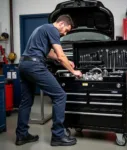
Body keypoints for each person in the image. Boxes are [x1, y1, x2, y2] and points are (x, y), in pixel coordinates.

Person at [15, 14, 82, 146]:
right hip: (35, 65)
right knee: (60, 95)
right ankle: (58, 135)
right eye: (66, 30)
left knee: (26, 101)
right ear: (61, 24)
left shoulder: (41, 28)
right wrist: (73, 71)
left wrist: (66, 61)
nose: (65, 34)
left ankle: (21, 135)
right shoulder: (53, 30)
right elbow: (60, 54)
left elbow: (50, 53)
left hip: (23, 65)